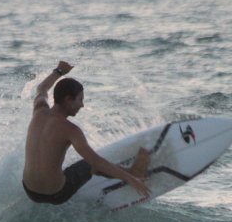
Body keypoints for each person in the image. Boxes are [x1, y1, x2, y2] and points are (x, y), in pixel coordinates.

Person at [22, 61, 151, 205]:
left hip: (29, 191)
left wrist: (59, 71)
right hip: (56, 194)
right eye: (80, 100)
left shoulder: (39, 110)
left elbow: (42, 88)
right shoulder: (71, 130)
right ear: (68, 100)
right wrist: (129, 178)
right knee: (89, 166)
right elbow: (96, 161)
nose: (82, 105)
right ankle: (135, 172)